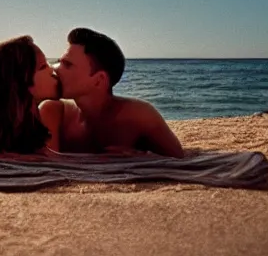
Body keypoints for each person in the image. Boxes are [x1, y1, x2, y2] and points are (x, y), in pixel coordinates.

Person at [40, 28, 184, 158]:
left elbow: (177, 157)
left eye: (67, 64)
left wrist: (140, 156)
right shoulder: (54, 112)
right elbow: (50, 162)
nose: (55, 69)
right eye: (60, 62)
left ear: (99, 80)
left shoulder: (139, 115)